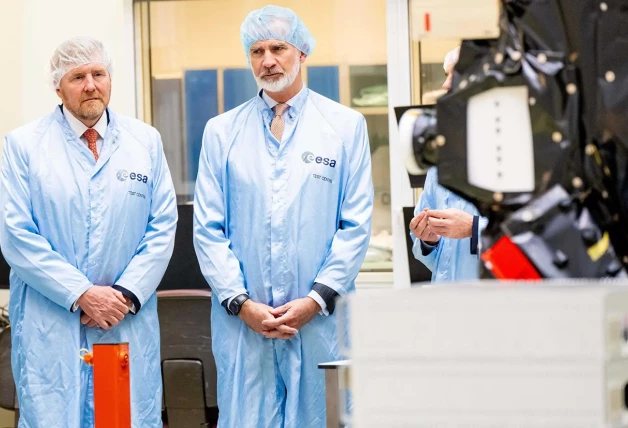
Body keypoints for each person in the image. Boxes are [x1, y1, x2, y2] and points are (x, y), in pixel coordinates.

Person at [193, 5, 373, 427]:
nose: (267, 60)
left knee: (322, 416)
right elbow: (208, 229)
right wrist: (240, 302)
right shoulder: (221, 132)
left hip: (320, 322)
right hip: (245, 326)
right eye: (257, 51)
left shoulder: (345, 127)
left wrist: (315, 300)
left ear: (303, 53)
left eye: (278, 48)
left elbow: (356, 224)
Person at [0, 37, 177, 427]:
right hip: (53, 328)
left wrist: (124, 295)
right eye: (77, 76)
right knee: (52, 418)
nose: (91, 85)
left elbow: (162, 227)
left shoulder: (144, 142)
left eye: (99, 74)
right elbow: (17, 235)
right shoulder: (24, 146)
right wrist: (82, 294)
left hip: (120, 323)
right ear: (57, 86)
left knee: (116, 417)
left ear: (110, 79)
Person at [410, 46, 488, 282]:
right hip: (446, 303)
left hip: (495, 305)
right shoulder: (441, 158)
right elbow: (432, 258)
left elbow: (535, 237)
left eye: (453, 75)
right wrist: (427, 240)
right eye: (445, 76)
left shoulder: (514, 155)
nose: (445, 86)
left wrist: (474, 229)